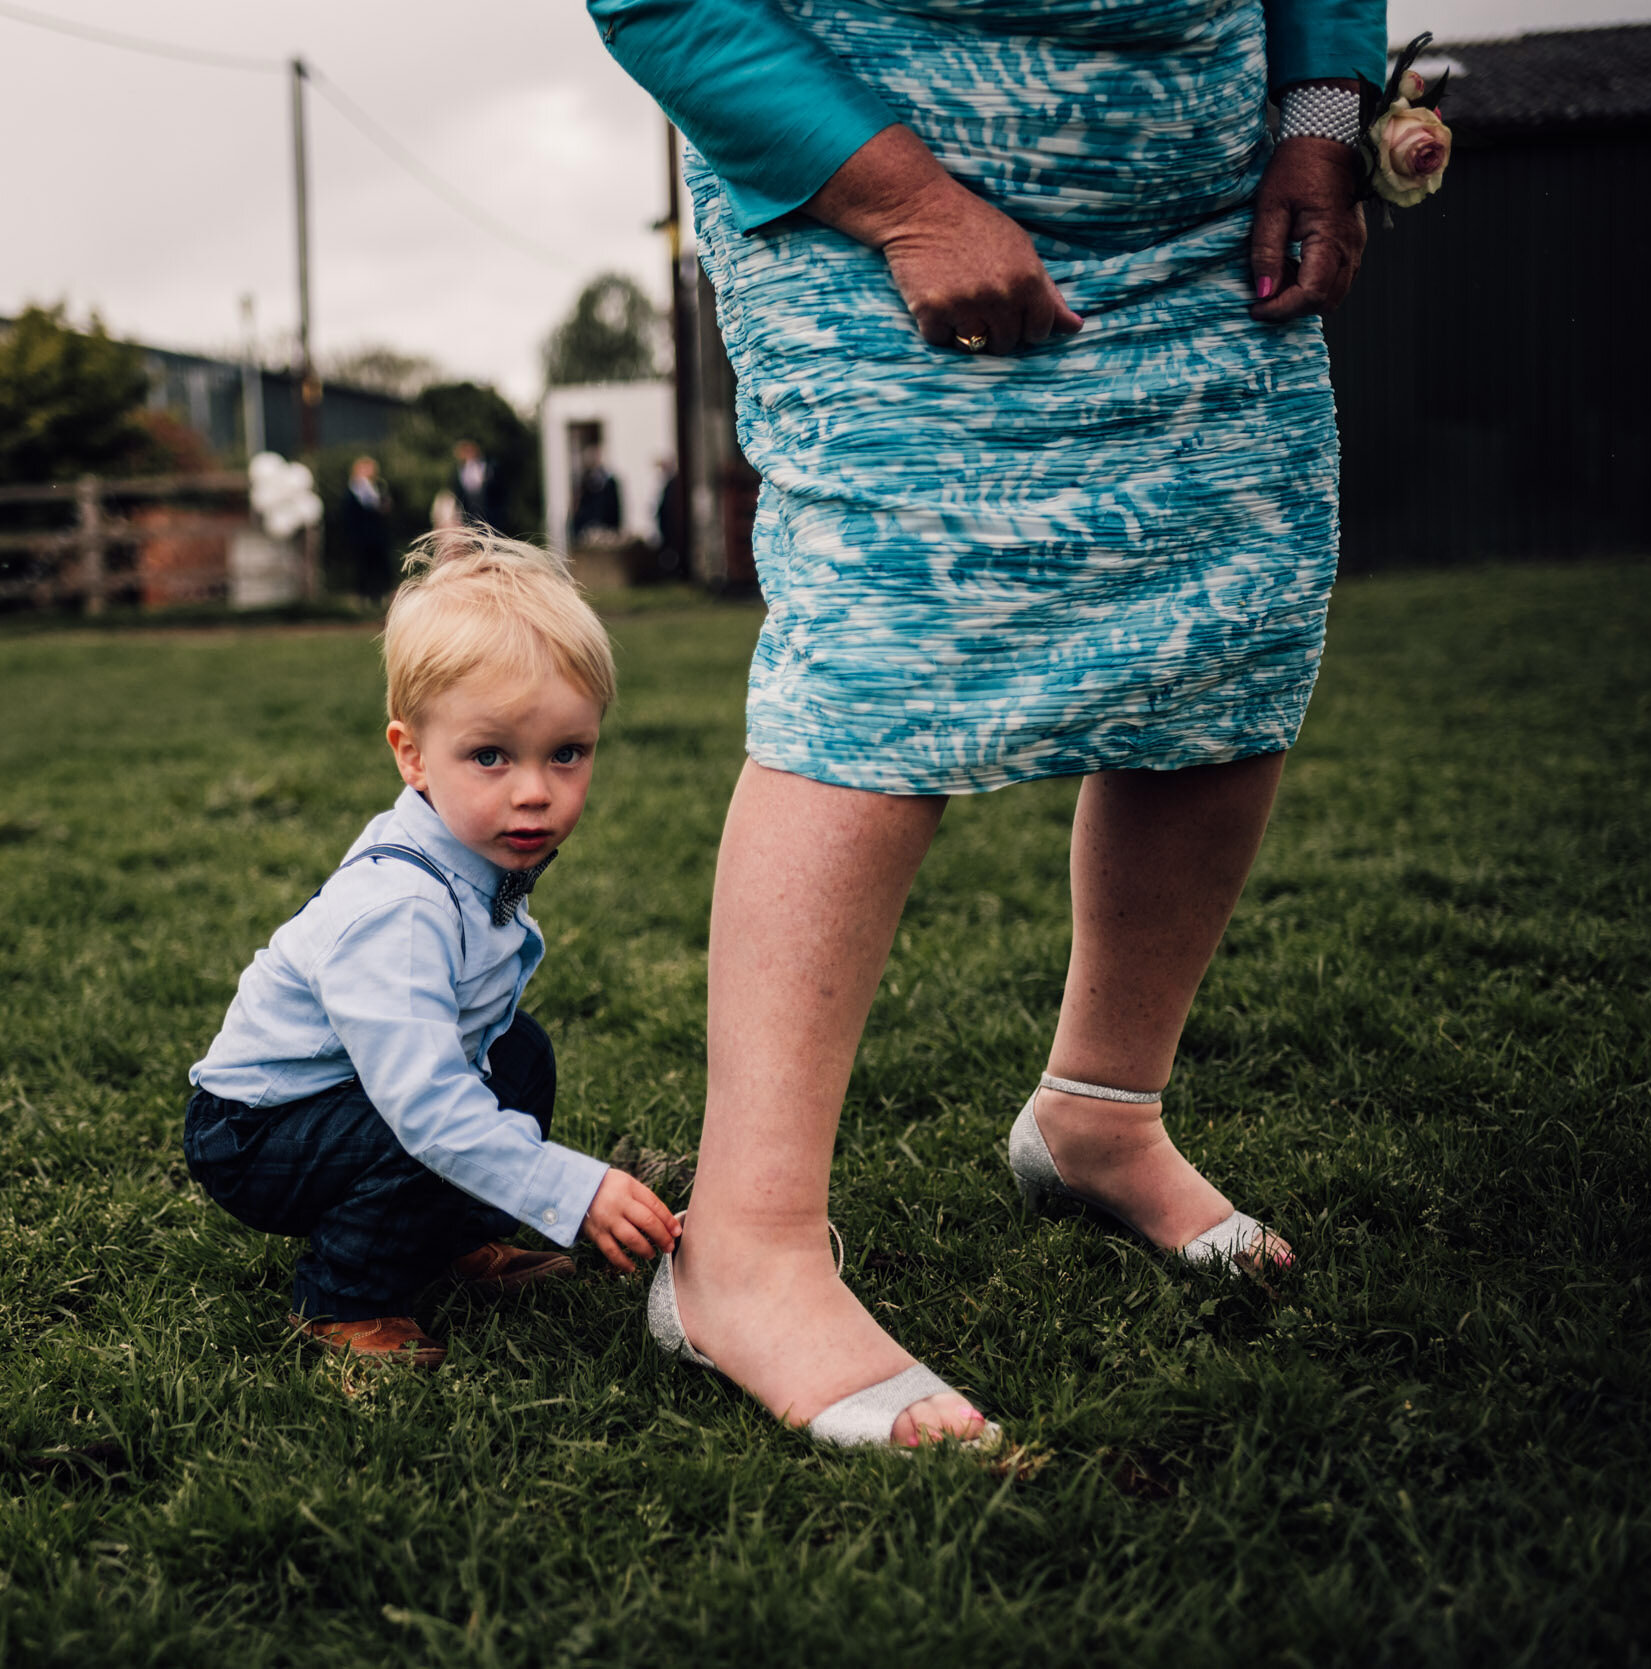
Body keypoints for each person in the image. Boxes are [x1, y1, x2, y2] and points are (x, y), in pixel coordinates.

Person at [590, 0, 1383, 1448]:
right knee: (881, 660)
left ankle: (1100, 1116)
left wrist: (1321, 116)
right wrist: (904, 202)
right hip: (866, 194)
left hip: (1209, 217)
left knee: (1229, 632)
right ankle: (746, 1254)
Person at [184, 530, 682, 1367]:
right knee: (422, 1120)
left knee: (519, 1056)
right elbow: (424, 1104)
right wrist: (572, 1186)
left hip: (349, 1091)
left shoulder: (475, 852)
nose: (535, 791)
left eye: (567, 753)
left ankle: (445, 1239)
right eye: (490, 756)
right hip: (254, 1133)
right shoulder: (400, 908)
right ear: (411, 755)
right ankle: (344, 1297)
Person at [336, 455, 394, 602]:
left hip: (378, 535)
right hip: (362, 535)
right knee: (363, 567)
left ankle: (380, 595)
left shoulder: (379, 487)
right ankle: (364, 596)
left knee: (379, 566)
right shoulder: (353, 490)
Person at [569, 445, 624, 548]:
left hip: (607, 524)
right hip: (592, 524)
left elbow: (614, 506)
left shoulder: (610, 482)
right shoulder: (586, 481)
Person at [450, 440, 508, 533]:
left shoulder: (490, 466)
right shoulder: (459, 471)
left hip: (491, 516)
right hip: (470, 516)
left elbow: (500, 491)